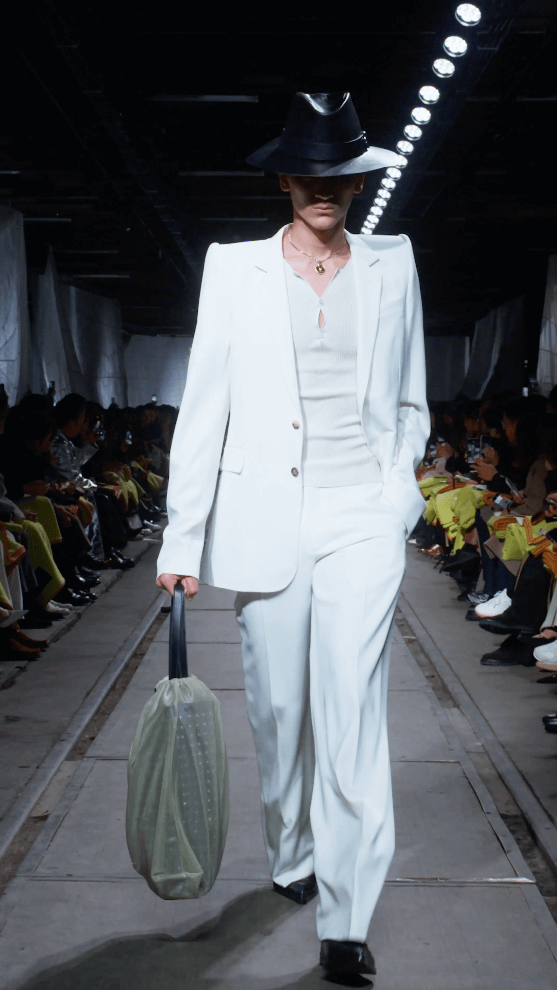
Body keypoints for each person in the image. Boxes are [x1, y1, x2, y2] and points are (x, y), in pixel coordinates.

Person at [156, 92, 430, 980]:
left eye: (339, 175)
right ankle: (291, 851)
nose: (323, 188)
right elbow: (205, 405)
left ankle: (345, 922)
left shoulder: (391, 263)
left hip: (359, 515)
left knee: (350, 715)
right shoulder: (233, 268)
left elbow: (409, 399)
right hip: (263, 518)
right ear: (282, 179)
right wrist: (181, 542)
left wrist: (395, 496)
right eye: (307, 173)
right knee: (279, 713)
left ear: (357, 182)